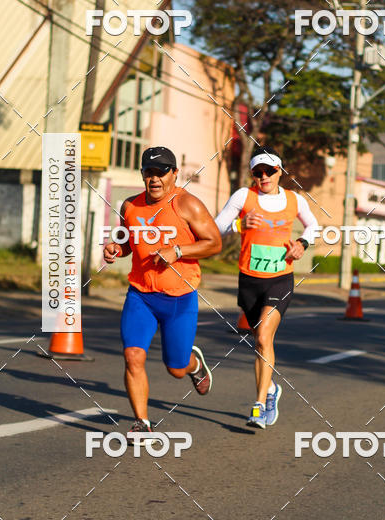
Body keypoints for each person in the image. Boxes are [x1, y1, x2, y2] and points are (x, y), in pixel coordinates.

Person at [103, 146, 222, 437]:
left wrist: (178, 250)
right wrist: (117, 249)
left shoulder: (187, 205)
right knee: (133, 356)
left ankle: (194, 365)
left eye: (162, 172)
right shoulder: (130, 206)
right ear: (142, 174)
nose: (155, 178)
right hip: (141, 295)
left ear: (174, 174)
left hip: (179, 297)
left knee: (176, 368)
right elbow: (129, 241)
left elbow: (214, 243)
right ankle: (142, 422)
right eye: (149, 172)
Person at [215, 148, 319, 429]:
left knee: (263, 337)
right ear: (253, 175)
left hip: (280, 278)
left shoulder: (293, 199)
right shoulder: (243, 197)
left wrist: (302, 245)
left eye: (269, 171)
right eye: (258, 172)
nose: (264, 177)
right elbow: (216, 228)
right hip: (249, 279)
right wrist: (239, 224)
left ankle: (259, 405)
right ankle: (271, 388)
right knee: (259, 344)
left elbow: (313, 226)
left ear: (279, 172)